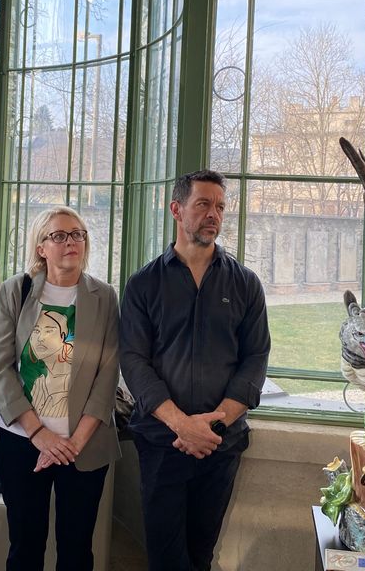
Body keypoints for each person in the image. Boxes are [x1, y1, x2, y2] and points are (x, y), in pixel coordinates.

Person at [119, 170, 270, 571]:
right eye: (203, 204)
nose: (213, 214)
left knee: (201, 556)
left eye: (220, 206)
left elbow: (256, 359)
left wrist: (212, 426)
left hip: (221, 445)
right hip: (162, 443)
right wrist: (182, 425)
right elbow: (133, 361)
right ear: (176, 209)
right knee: (165, 560)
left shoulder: (246, 284)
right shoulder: (143, 284)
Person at [0, 207, 120, 571]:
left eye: (77, 234)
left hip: (84, 444)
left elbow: (108, 374)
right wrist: (40, 435)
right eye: (58, 236)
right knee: (25, 547)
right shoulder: (16, 290)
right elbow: (0, 368)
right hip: (22, 440)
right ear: (41, 247)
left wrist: (72, 443)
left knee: (77, 551)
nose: (70, 242)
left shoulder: (104, 296)